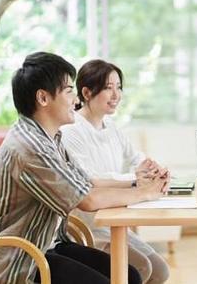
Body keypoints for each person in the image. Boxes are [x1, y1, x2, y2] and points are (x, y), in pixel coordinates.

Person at [0, 52, 167, 284]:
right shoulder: (30, 148)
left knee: (129, 276)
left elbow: (87, 181)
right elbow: (88, 200)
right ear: (43, 98)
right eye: (68, 90)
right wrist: (145, 193)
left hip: (44, 244)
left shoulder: (50, 138)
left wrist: (137, 183)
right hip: (14, 259)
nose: (75, 100)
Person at [60, 59, 170, 284]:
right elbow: (89, 180)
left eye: (118, 87)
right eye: (108, 88)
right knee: (141, 268)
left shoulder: (111, 126)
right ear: (87, 92)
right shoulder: (71, 130)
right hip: (90, 224)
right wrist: (136, 180)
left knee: (160, 271)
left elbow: (135, 157)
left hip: (115, 218)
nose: (116, 94)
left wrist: (152, 169)